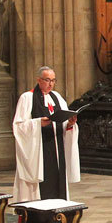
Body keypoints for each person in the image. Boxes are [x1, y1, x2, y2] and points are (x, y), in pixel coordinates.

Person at [12, 66, 81, 202]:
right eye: (47, 80)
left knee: (58, 184)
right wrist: (38, 123)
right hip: (40, 151)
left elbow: (63, 122)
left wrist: (70, 124)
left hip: (57, 150)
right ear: (39, 80)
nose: (50, 84)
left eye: (53, 80)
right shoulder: (27, 98)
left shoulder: (58, 98)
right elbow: (18, 127)